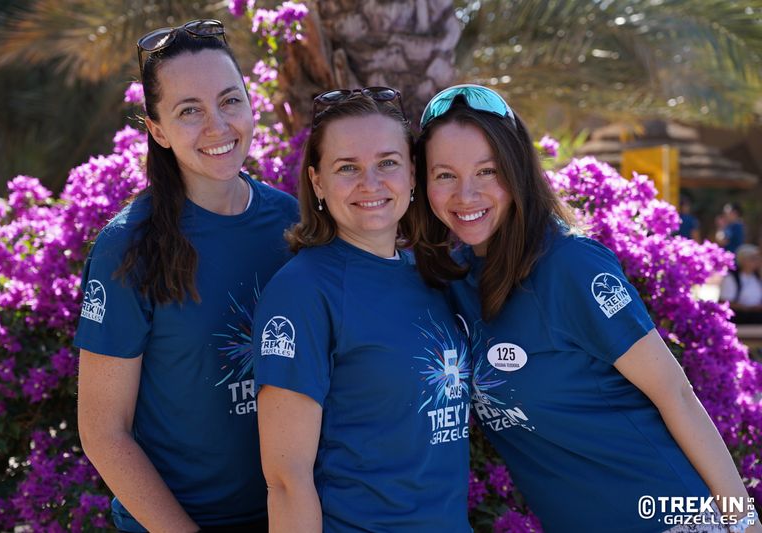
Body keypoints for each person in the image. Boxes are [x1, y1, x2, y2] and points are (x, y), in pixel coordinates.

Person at [412, 84, 760, 533]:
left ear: (518, 171)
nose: (466, 194)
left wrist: (745, 523)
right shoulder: (453, 280)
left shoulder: (570, 265)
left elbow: (676, 394)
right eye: (445, 175)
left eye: (487, 171)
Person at [75, 20, 298, 532]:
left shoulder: (291, 222)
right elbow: (103, 432)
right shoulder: (127, 246)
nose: (218, 126)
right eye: (189, 111)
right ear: (157, 130)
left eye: (230, 101)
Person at [252, 88, 471, 532]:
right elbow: (287, 480)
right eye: (347, 167)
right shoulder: (301, 293)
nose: (370, 183)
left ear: (412, 173)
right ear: (317, 182)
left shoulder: (429, 275)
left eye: (387, 163)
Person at [719, 244, 762, 324]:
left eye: (758, 258)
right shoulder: (731, 278)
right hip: (739, 317)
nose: (757, 261)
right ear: (742, 260)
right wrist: (749, 308)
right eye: (753, 258)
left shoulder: (757, 277)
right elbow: (725, 302)